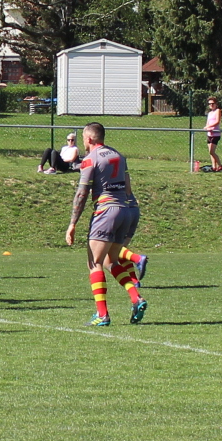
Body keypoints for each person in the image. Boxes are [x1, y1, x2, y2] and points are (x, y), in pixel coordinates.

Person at [64, 123, 146, 326]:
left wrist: (72, 223)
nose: (83, 142)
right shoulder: (119, 156)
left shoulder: (90, 159)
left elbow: (82, 193)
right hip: (125, 209)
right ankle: (136, 298)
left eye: (84, 138)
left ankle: (102, 315)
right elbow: (128, 188)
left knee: (94, 263)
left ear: (90, 138)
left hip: (105, 211)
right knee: (111, 261)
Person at [198, 99, 222, 173]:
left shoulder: (218, 111)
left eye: (213, 103)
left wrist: (209, 126)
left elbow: (217, 121)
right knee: (211, 152)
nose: (211, 105)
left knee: (212, 151)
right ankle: (214, 167)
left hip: (215, 134)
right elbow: (207, 122)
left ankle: (220, 165)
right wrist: (207, 127)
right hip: (209, 134)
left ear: (216, 104)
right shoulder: (209, 113)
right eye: (209, 104)